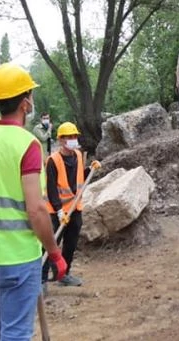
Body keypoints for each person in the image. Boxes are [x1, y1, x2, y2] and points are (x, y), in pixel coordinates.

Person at [0, 62, 67, 341]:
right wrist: (55, 253)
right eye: (30, 94)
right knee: (16, 333)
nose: (31, 100)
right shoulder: (27, 144)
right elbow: (36, 210)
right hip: (17, 257)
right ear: (24, 103)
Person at [42, 121, 100, 289]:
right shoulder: (53, 160)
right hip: (56, 210)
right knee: (51, 243)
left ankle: (63, 274)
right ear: (60, 140)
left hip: (75, 209)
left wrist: (91, 169)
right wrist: (59, 211)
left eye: (74, 136)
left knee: (71, 243)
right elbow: (52, 188)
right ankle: (42, 280)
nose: (72, 139)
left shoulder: (78, 156)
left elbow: (80, 178)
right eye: (68, 137)